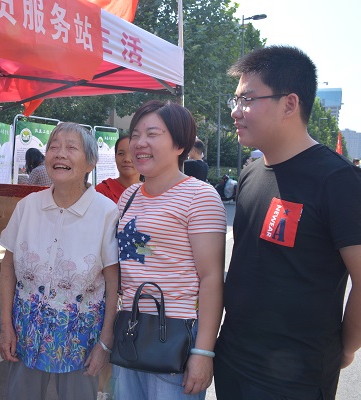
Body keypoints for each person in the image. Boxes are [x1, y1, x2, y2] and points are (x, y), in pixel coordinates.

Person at [214, 46, 361, 400]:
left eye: (247, 99)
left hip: (295, 378)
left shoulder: (337, 180)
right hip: (233, 361)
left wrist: (347, 347)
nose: (236, 111)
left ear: (290, 104)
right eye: (236, 100)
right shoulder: (251, 173)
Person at [113, 100, 226, 399]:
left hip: (176, 337)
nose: (140, 143)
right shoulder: (128, 196)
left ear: (180, 145)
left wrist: (203, 352)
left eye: (152, 134)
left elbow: (212, 278)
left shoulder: (200, 197)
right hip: (130, 330)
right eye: (136, 135)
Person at [0, 122, 119, 400]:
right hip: (26, 334)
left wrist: (105, 342)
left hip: (80, 339)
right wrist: (6, 327)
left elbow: (114, 286)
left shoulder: (106, 212)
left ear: (91, 163)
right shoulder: (27, 206)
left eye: (71, 148)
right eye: (54, 147)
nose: (60, 153)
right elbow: (7, 269)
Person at [95, 134, 141, 203]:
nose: (127, 159)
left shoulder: (151, 192)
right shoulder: (102, 192)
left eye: (133, 154)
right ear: (115, 157)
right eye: (121, 154)